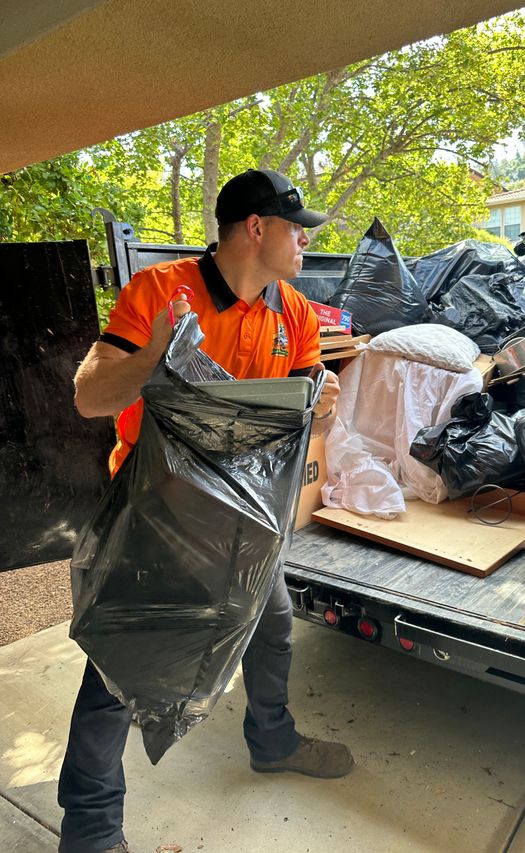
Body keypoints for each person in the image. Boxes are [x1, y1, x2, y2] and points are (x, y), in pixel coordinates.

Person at [59, 168, 353, 853]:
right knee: (113, 673)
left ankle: (272, 740)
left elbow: (298, 435)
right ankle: (92, 832)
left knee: (273, 621)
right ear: (257, 227)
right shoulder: (163, 293)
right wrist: (151, 361)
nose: (304, 243)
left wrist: (323, 410)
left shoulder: (296, 314)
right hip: (157, 512)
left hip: (247, 515)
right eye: (296, 229)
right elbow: (88, 397)